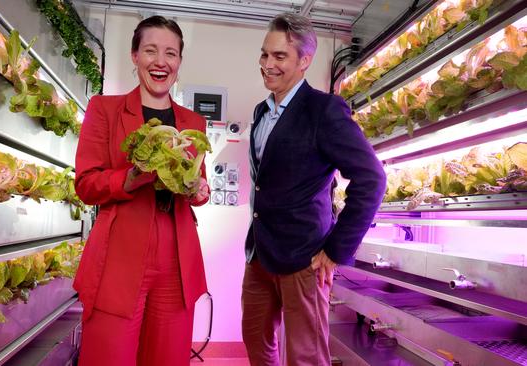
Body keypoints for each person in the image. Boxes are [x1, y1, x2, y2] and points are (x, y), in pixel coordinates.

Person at [241, 12, 386, 366]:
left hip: (305, 258)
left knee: (305, 356)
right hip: (259, 253)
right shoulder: (263, 111)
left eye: (279, 56)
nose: (267, 64)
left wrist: (336, 250)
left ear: (304, 61)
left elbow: (371, 178)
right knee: (256, 343)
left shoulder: (324, 109)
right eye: (264, 54)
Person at [73, 15, 210, 366]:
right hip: (119, 250)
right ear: (135, 56)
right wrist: (128, 179)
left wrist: (199, 189)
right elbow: (86, 183)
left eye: (171, 53)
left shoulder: (193, 123)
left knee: (167, 357)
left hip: (177, 254)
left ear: (179, 62)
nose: (160, 61)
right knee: (108, 356)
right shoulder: (105, 109)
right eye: (150, 50)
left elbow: (200, 188)